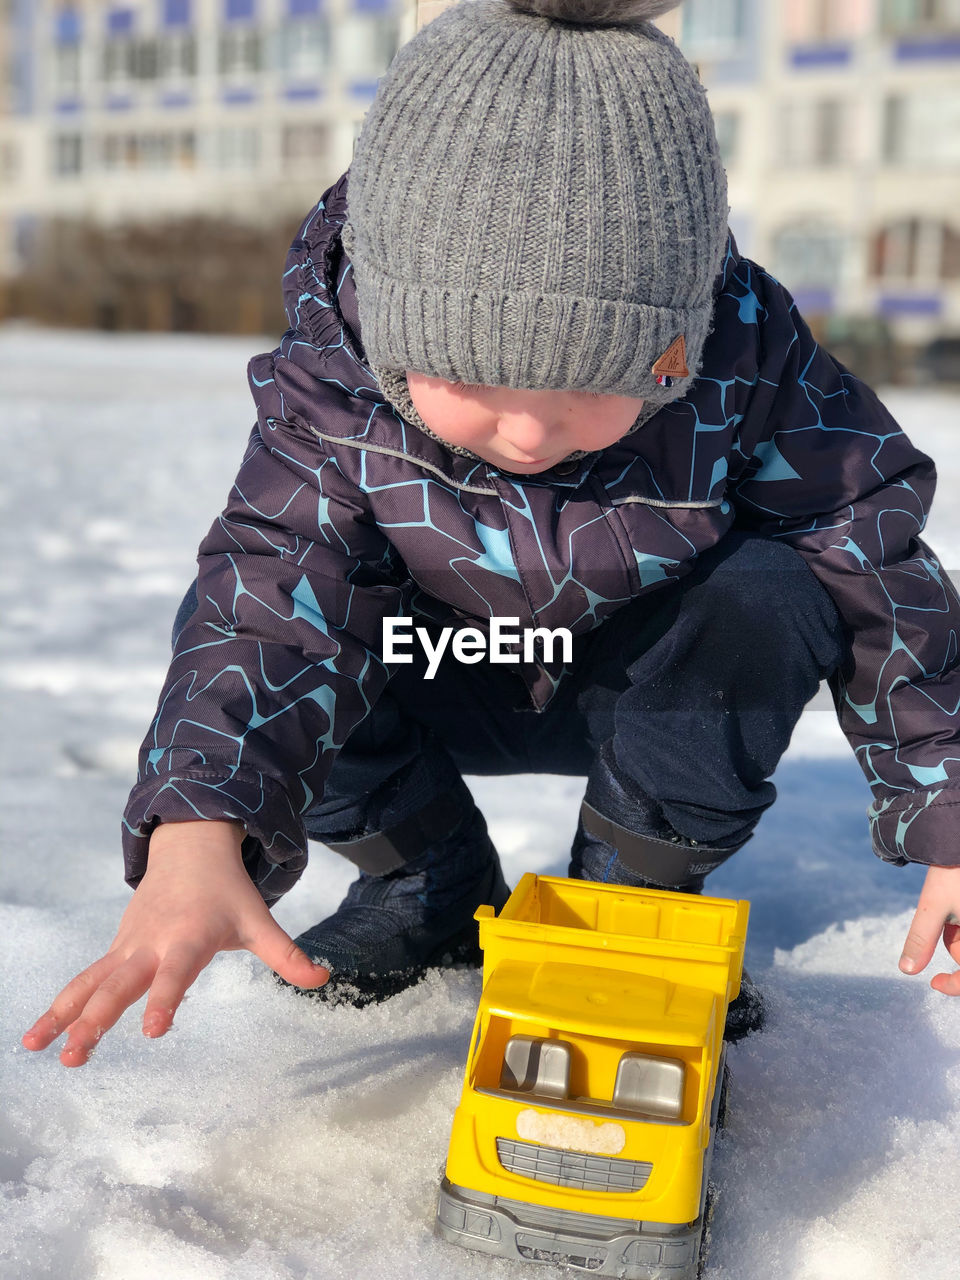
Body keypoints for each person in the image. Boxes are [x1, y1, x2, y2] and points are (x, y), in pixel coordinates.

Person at [22, 0, 960, 1070]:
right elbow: (270, 594)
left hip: (647, 682)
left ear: (679, 337)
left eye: (593, 386)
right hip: (440, 669)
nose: (525, 431)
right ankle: (424, 881)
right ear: (396, 328)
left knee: (774, 590)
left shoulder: (749, 367)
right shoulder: (337, 393)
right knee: (305, 623)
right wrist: (199, 822)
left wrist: (949, 799)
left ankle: (631, 903)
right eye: (468, 380)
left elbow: (873, 562)